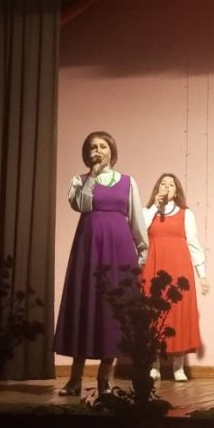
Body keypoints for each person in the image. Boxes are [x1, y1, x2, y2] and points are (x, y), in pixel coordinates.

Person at [54, 131, 148, 396]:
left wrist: (143, 249)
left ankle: (104, 379)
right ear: (87, 154)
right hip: (89, 251)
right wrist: (92, 178)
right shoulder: (80, 181)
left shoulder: (128, 182)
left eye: (103, 146)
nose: (98, 151)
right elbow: (83, 206)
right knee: (85, 306)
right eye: (93, 147)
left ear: (111, 151)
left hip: (119, 250)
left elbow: (136, 218)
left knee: (113, 310)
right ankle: (75, 380)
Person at [143, 173, 209, 382]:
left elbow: (194, 244)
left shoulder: (186, 214)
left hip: (179, 269)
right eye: (162, 183)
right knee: (154, 315)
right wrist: (155, 207)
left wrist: (202, 275)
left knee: (178, 313)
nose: (166, 187)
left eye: (171, 184)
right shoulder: (147, 212)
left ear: (176, 191)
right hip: (153, 268)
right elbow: (139, 232)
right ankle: (154, 365)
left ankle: (178, 367)